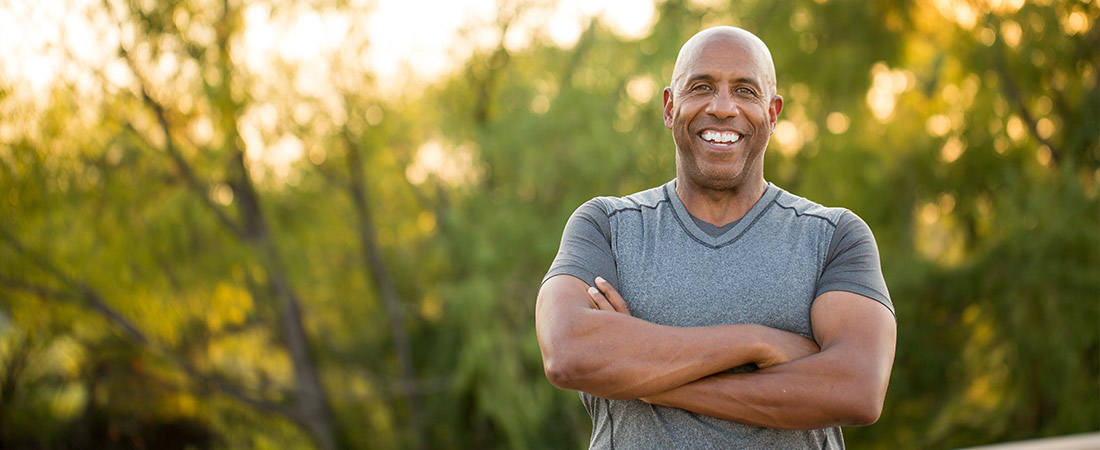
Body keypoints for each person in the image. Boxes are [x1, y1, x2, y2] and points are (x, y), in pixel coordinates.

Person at [535, 26, 897, 448]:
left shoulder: (835, 237)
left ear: (773, 113)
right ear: (670, 107)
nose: (723, 107)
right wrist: (758, 341)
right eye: (701, 87)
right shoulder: (606, 226)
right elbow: (567, 354)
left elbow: (856, 389)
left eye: (745, 91)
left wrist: (649, 379)